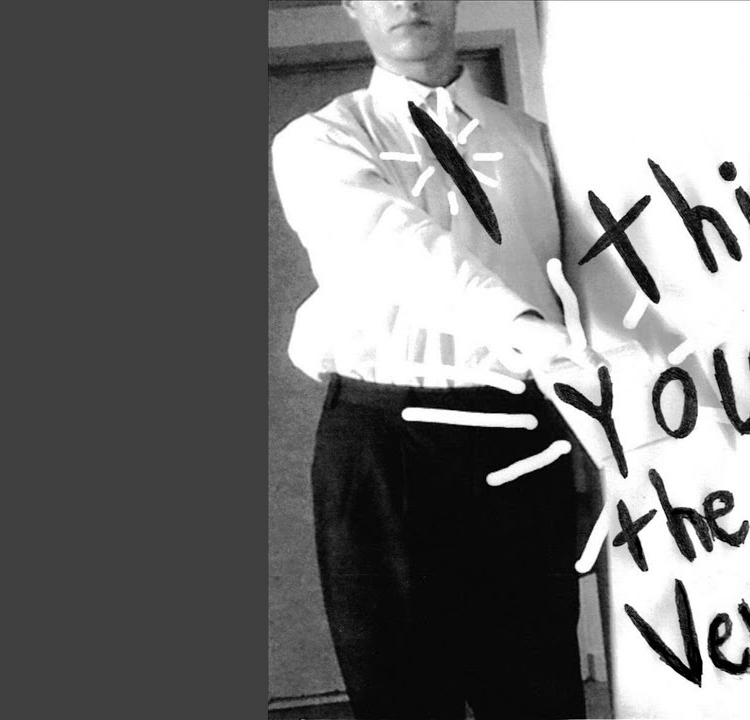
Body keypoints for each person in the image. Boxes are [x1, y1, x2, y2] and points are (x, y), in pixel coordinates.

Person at [271, 2, 590, 717]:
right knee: (402, 699)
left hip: (521, 437)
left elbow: (595, 280)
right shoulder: (320, 139)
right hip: (385, 446)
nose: (406, 1)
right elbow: (390, 243)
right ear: (351, 5)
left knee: (537, 693)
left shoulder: (537, 144)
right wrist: (523, 328)